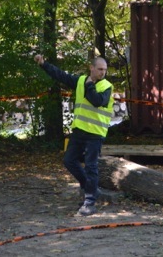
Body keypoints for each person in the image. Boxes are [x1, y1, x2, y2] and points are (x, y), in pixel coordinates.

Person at [34, 54, 114, 216]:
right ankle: (90, 188)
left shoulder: (107, 86)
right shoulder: (80, 81)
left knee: (91, 166)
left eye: (105, 70)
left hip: (95, 133)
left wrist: (89, 85)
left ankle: (90, 202)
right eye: (100, 69)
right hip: (79, 130)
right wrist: (44, 64)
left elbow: (97, 101)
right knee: (69, 161)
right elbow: (61, 76)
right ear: (91, 68)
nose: (103, 72)